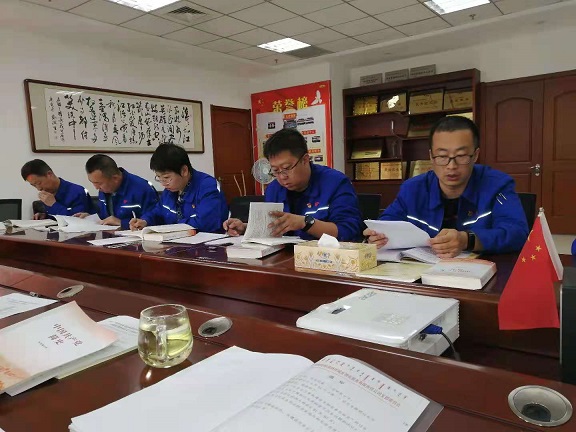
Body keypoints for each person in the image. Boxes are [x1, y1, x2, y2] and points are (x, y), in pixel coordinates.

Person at [364, 116, 529, 258]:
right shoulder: (413, 189)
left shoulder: (497, 185)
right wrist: (377, 236)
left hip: (481, 274)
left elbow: (517, 233)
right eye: (442, 156)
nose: (451, 166)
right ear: (431, 157)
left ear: (475, 155)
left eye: (461, 156)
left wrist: (468, 240)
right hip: (422, 274)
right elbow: (387, 222)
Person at [223, 128, 364, 241]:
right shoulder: (274, 189)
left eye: (287, 168)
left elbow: (348, 232)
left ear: (305, 160)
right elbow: (272, 227)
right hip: (285, 260)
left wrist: (305, 223)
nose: (282, 177)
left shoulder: (336, 183)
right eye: (275, 170)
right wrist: (245, 228)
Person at [130, 143, 228, 233]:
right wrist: (145, 221)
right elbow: (158, 212)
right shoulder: (170, 190)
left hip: (207, 244)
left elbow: (206, 222)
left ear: (184, 171)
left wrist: (172, 227)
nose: (163, 184)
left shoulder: (208, 186)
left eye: (166, 178)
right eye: (159, 178)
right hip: (177, 242)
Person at [76, 154, 158, 229]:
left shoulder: (142, 189)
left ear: (115, 178)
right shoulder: (104, 189)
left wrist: (121, 223)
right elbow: (104, 217)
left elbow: (154, 221)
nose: (96, 188)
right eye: (93, 183)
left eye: (99, 183)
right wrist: (90, 218)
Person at [21, 159, 93, 219]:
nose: (39, 188)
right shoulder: (48, 192)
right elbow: (56, 217)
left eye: (39, 183)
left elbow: (77, 220)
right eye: (34, 185)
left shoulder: (78, 192)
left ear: (49, 174)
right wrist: (45, 216)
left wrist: (53, 205)